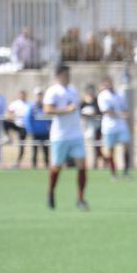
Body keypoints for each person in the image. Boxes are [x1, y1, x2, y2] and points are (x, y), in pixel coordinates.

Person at [42, 66, 88, 210]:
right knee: (57, 167)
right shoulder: (52, 91)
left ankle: (80, 198)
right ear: (59, 75)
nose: (69, 77)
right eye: (66, 75)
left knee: (82, 166)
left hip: (76, 134)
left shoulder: (72, 90)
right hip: (60, 135)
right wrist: (65, 110)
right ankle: (50, 192)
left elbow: (76, 109)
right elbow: (47, 110)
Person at [97, 76, 131, 179]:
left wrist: (125, 115)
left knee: (126, 146)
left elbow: (125, 109)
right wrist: (121, 114)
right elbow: (107, 111)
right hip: (109, 127)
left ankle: (125, 171)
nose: (109, 85)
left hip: (121, 126)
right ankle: (113, 173)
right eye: (107, 84)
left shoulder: (119, 95)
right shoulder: (102, 96)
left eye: (110, 83)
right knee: (111, 150)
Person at [25, 88, 52, 169]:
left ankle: (47, 166)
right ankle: (34, 166)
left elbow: (50, 118)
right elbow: (28, 119)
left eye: (41, 94)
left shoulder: (45, 106)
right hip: (35, 132)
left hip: (45, 132)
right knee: (35, 150)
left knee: (46, 150)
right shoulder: (32, 107)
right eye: (38, 94)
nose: (39, 96)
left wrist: (50, 129)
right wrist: (30, 130)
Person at [80, 84, 104, 169]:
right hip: (85, 127)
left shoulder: (97, 101)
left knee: (96, 147)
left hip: (96, 128)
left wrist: (93, 114)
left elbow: (100, 112)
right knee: (85, 146)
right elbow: (79, 113)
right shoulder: (82, 102)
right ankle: (85, 164)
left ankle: (95, 164)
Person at [7, 89, 29, 168]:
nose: (22, 96)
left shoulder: (28, 104)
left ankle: (18, 162)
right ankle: (8, 136)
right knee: (5, 122)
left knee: (21, 145)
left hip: (24, 127)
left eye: (23, 94)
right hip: (16, 125)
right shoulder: (15, 103)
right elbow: (9, 113)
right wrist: (13, 116)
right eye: (21, 94)